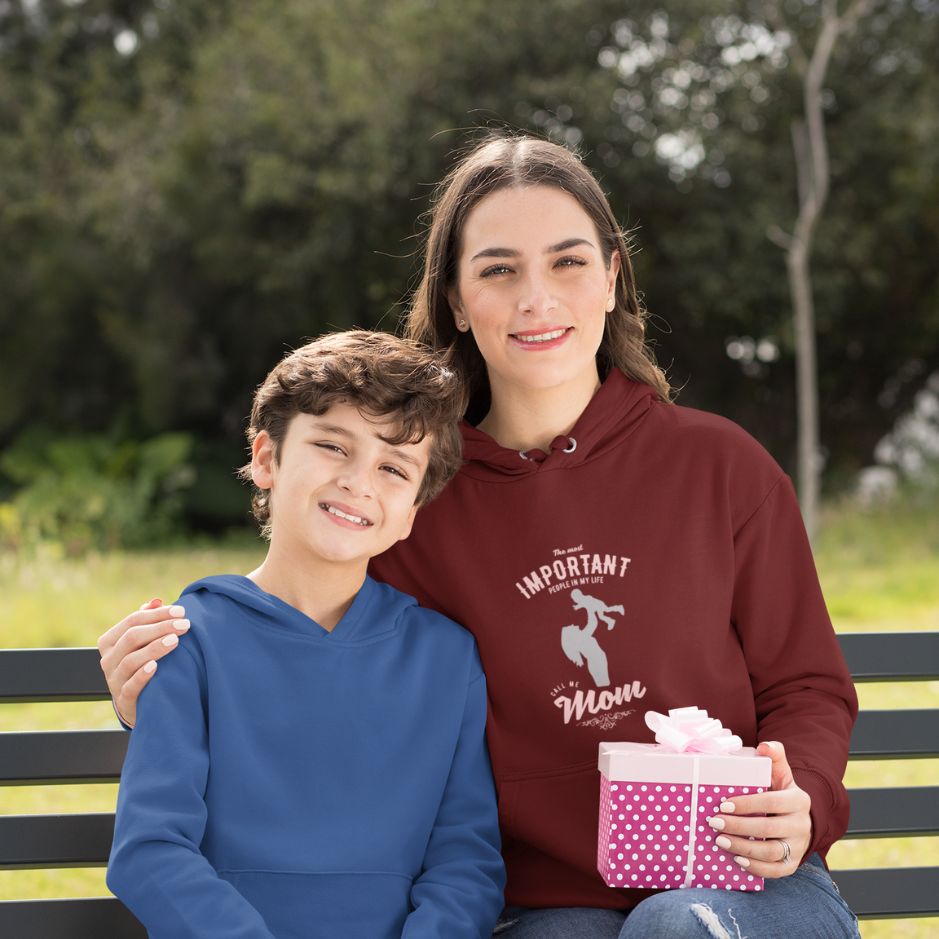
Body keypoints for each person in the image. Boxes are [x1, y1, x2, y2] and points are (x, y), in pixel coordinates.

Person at [99, 135, 860, 939]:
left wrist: (801, 793)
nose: (536, 296)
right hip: (541, 902)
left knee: (676, 929)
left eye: (567, 262)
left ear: (610, 277)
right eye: (498, 269)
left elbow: (807, 685)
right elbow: (315, 644)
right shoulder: (411, 497)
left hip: (735, 878)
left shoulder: (720, 466)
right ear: (457, 300)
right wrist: (156, 690)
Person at [105, 331, 506, 939]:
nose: (358, 481)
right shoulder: (189, 643)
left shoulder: (446, 659)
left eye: (394, 467)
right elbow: (150, 851)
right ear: (267, 459)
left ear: (412, 516)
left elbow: (466, 863)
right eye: (332, 446)